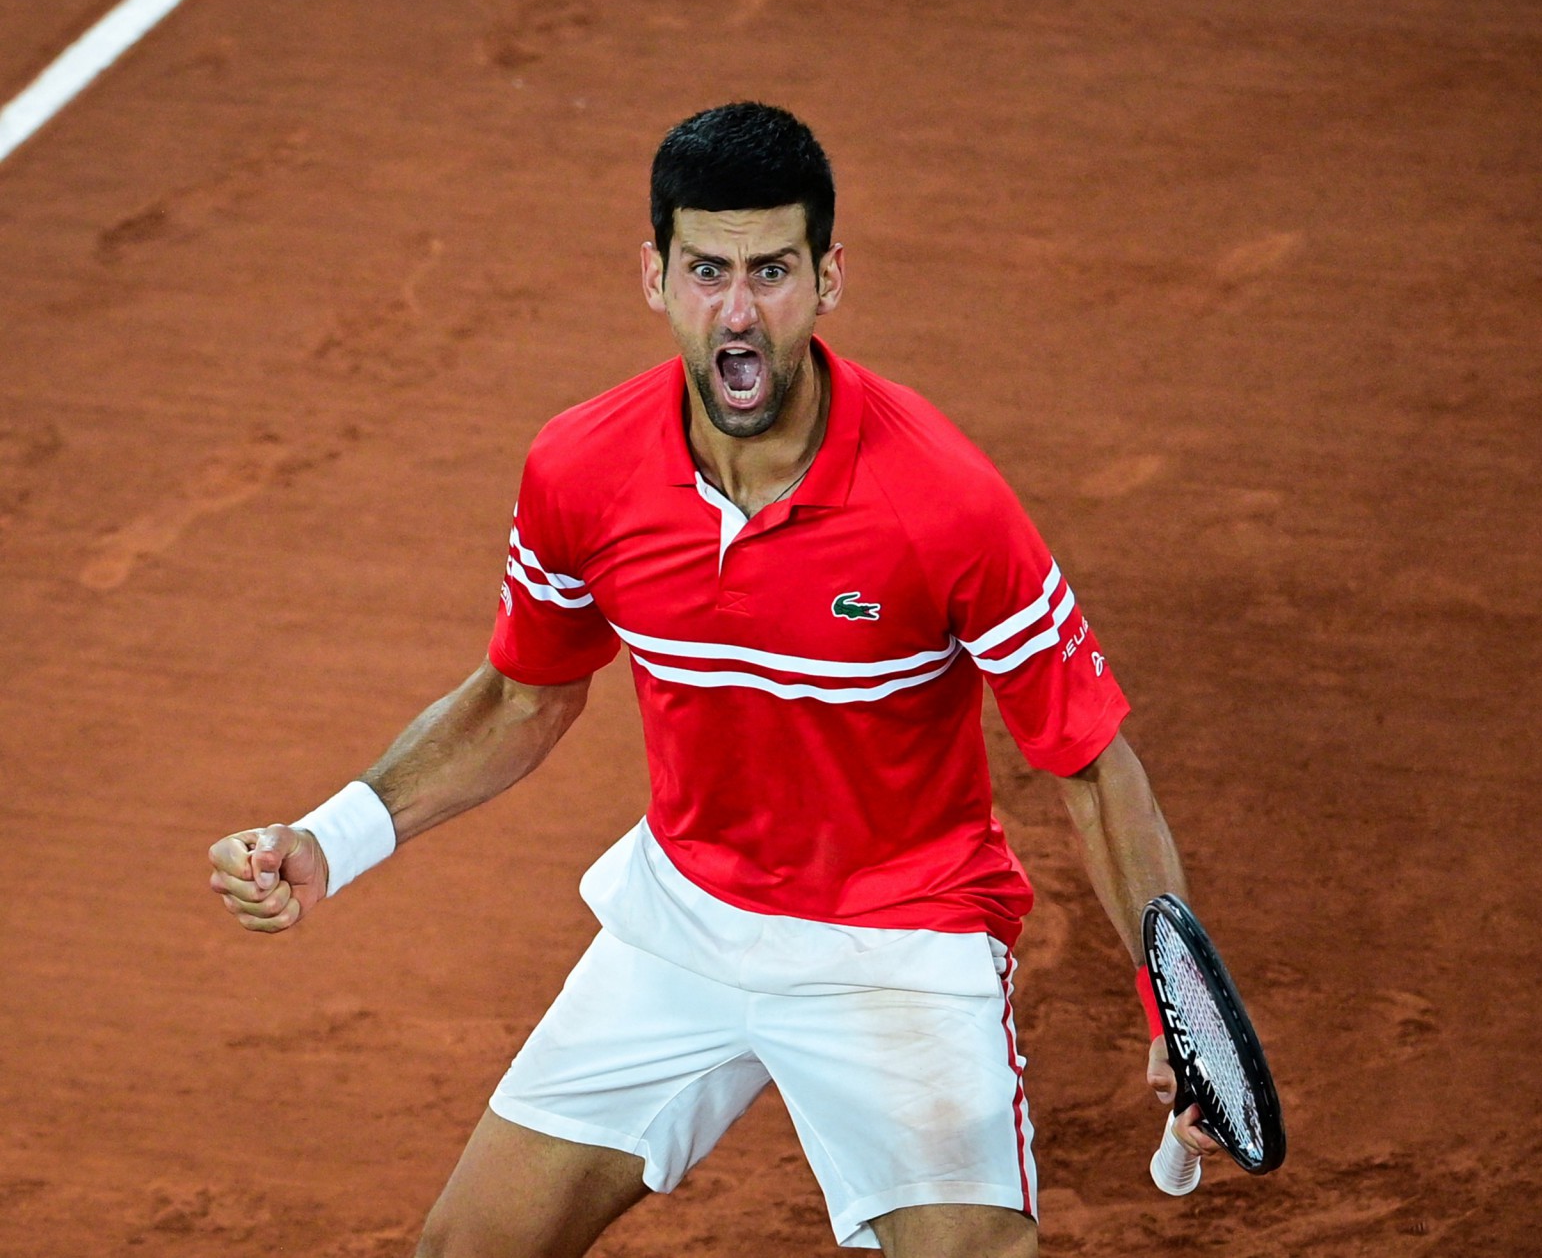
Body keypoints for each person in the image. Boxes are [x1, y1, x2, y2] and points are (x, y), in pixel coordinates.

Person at [208, 101, 1215, 1258]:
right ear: (655, 277)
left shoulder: (945, 502)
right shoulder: (581, 468)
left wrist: (1176, 1008)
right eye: (707, 271)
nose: (738, 313)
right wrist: (327, 840)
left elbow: (1092, 768)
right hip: (684, 917)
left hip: (897, 942)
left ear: (828, 279)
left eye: (772, 271)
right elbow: (522, 696)